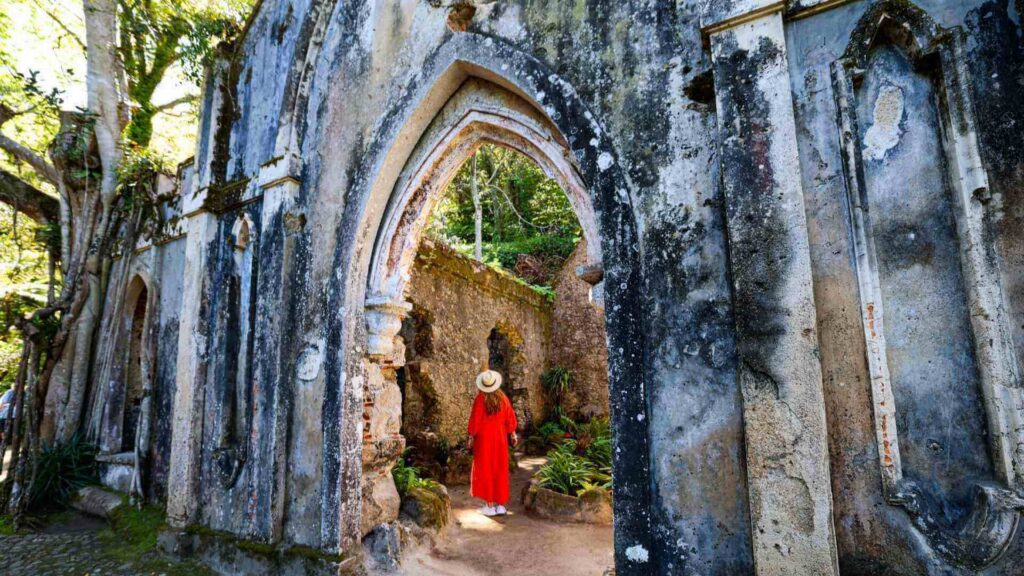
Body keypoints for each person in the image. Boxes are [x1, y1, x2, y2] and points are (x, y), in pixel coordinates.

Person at [467, 369, 518, 517]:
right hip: (500, 440)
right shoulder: (503, 398)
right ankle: (501, 505)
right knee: (499, 469)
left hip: (484, 441)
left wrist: (470, 436)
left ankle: (489, 505)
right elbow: (511, 419)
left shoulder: (480, 399)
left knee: (486, 470)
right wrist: (513, 433)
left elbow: (475, 422)